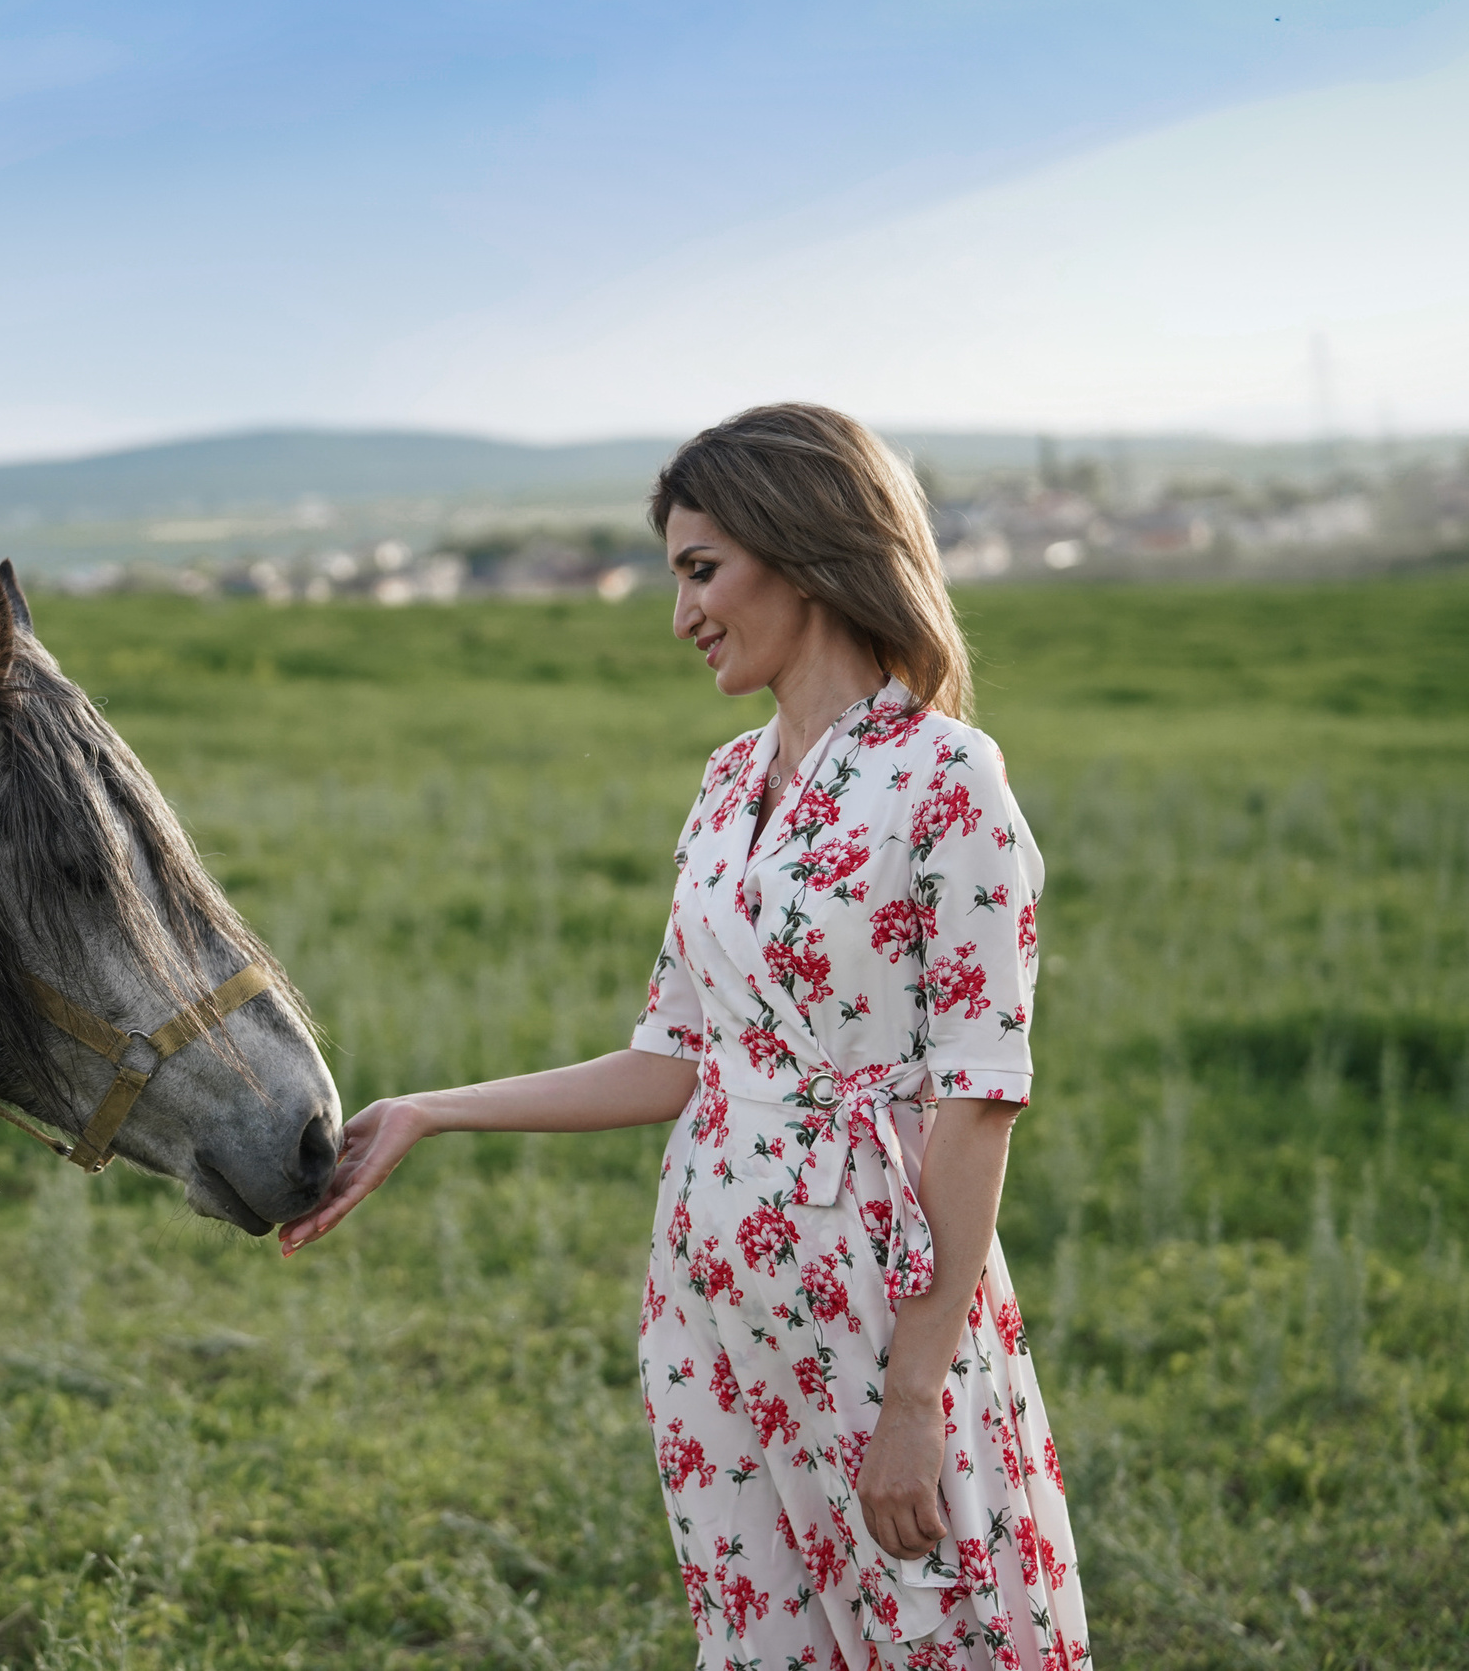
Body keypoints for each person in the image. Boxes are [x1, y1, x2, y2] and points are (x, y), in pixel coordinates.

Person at [278, 404, 1089, 1670]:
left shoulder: (945, 775)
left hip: (872, 1298)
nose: (682, 615)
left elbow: (979, 1099)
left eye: (701, 571)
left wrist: (915, 1397)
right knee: (763, 1639)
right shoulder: (725, 783)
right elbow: (674, 1058)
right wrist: (434, 1110)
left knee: (939, 1630)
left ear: (804, 547)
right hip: (707, 1289)